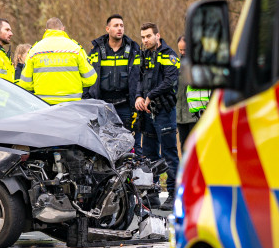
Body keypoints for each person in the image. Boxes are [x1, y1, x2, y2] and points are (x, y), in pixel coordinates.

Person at [136, 22, 179, 209]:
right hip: (147, 113)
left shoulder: (169, 55)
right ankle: (152, 194)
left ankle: (174, 194)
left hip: (164, 112)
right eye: (143, 37)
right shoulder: (143, 55)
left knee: (169, 154)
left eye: (148, 36)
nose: (145, 40)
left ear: (157, 36)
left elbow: (170, 81)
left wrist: (149, 95)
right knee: (149, 155)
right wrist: (138, 96)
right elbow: (138, 78)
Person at [85, 14, 142, 144]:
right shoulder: (96, 50)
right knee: (105, 144)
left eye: (122, 26)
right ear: (107, 29)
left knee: (131, 144)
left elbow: (139, 77)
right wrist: (88, 100)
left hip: (126, 107)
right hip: (103, 106)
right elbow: (87, 77)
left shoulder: (133, 49)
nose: (120, 29)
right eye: (116, 26)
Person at [18, 17, 97, 104]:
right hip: (71, 104)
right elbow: (91, 78)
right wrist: (75, 81)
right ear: (63, 29)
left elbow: (25, 84)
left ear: (46, 30)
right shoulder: (75, 48)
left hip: (44, 105)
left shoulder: (34, 50)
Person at [175, 34, 212, 151]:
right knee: (184, 145)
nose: (183, 52)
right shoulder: (176, 65)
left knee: (196, 146)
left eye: (185, 49)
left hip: (195, 114)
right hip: (180, 115)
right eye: (180, 50)